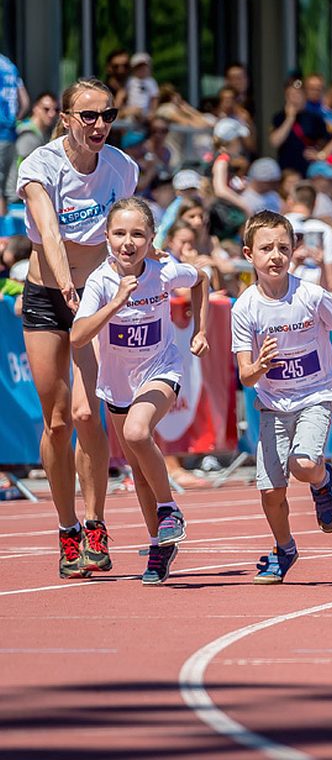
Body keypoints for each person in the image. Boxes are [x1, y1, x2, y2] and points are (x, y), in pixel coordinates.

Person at [17, 78, 138, 578]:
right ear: (65, 119)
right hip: (49, 295)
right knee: (59, 420)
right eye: (87, 116)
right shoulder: (40, 165)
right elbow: (48, 230)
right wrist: (66, 285)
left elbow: (127, 233)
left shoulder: (121, 168)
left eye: (106, 115)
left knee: (90, 414)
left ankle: (95, 522)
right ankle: (66, 527)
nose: (98, 125)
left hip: (93, 297)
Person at [231, 211, 332, 583]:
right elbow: (245, 374)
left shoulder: (311, 295)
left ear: (294, 251)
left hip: (316, 394)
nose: (275, 256)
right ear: (249, 254)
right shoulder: (245, 309)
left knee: (303, 464)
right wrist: (262, 363)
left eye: (283, 248)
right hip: (273, 403)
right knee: (271, 490)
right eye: (266, 248)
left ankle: (323, 482)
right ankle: (284, 548)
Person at [69, 198, 210, 584]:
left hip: (161, 370)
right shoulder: (100, 282)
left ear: (150, 240)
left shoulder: (163, 272)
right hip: (117, 384)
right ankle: (159, 547)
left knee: (136, 431)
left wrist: (200, 330)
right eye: (119, 234)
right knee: (139, 470)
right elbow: (78, 336)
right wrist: (116, 302)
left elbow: (202, 278)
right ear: (107, 237)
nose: (127, 242)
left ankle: (170, 509)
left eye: (137, 235)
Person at [5, 91, 54, 206]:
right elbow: (23, 169)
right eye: (46, 109)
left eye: (55, 110)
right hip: (18, 199)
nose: (51, 114)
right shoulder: (28, 135)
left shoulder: (44, 133)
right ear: (35, 108)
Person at [0, 52, 29, 217]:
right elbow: (24, 102)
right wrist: (13, 121)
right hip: (10, 132)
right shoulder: (9, 65)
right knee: (6, 189)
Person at [124, 53, 160, 118]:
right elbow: (124, 94)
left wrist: (153, 112)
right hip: (131, 110)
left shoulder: (151, 82)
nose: (142, 70)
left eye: (144, 67)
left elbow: (154, 98)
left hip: (146, 112)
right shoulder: (130, 81)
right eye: (139, 68)